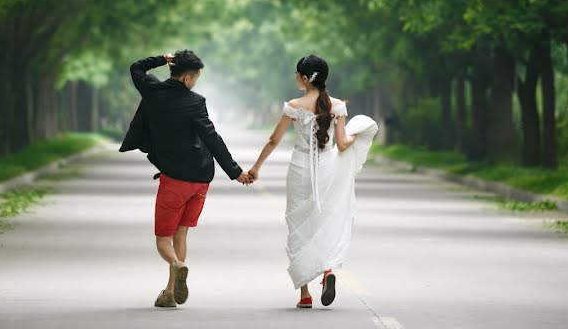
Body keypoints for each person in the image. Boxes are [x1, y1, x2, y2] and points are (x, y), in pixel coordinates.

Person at [121, 50, 253, 309]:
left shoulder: (152, 91)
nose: (196, 82)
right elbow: (212, 138)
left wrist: (161, 59)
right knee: (181, 235)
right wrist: (236, 172)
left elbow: (136, 68)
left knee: (163, 239)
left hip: (175, 180)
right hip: (201, 178)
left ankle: (176, 265)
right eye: (196, 78)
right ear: (188, 78)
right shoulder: (196, 102)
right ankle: (169, 293)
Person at [247, 55, 377, 309]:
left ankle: (305, 294)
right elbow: (341, 144)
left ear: (305, 79)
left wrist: (255, 167)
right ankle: (328, 271)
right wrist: (355, 136)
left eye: (297, 75)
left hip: (300, 168)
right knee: (324, 219)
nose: (295, 78)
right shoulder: (337, 106)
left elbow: (273, 140)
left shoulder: (293, 106)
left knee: (298, 225)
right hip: (327, 168)